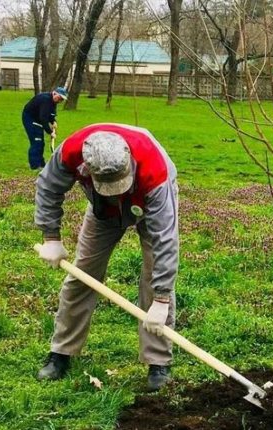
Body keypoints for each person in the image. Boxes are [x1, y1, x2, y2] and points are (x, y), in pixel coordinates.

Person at [34, 123, 179, 392]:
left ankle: (158, 362)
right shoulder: (72, 151)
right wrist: (51, 237)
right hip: (102, 209)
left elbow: (165, 239)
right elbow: (48, 186)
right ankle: (61, 352)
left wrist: (161, 299)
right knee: (82, 274)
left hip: (148, 204)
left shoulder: (154, 170)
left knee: (154, 278)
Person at [23, 87, 67, 169]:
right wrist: (50, 132)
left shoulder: (53, 102)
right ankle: (35, 165)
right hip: (30, 118)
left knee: (41, 143)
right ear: (54, 93)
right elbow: (44, 118)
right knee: (36, 141)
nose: (60, 100)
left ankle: (41, 163)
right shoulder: (45, 100)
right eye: (60, 98)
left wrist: (53, 121)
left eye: (62, 99)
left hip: (38, 119)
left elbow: (51, 114)